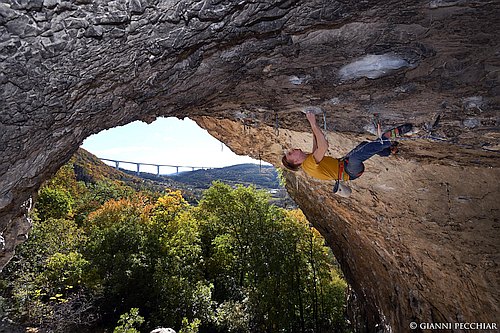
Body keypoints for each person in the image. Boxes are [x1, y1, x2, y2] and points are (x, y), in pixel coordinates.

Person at [282, 111, 412, 197]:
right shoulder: (308, 165)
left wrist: (312, 123)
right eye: (290, 154)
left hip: (345, 164)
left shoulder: (309, 159)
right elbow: (323, 146)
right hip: (350, 171)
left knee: (363, 146)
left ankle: (388, 151)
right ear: (295, 162)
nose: (291, 150)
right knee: (357, 156)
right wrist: (313, 123)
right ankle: (389, 137)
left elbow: (316, 141)